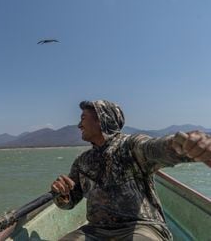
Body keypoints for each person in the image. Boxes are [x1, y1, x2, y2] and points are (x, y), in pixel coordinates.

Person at [51, 100, 211, 241]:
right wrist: (61, 194)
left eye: (83, 119)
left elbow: (156, 147)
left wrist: (185, 145)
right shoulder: (82, 161)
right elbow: (69, 202)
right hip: (95, 230)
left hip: (142, 226)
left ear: (101, 120)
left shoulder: (130, 145)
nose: (79, 125)